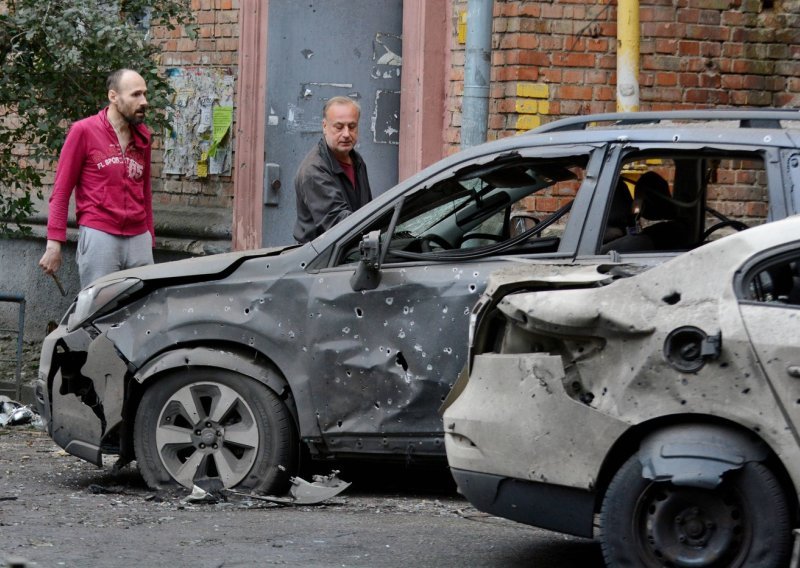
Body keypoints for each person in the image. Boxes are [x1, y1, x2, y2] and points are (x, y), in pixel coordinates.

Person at [38, 68, 154, 288]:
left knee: (144, 312)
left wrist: (149, 236)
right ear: (113, 96)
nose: (144, 101)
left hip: (139, 236)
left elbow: (145, 190)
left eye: (145, 94)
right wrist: (54, 243)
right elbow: (61, 191)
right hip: (100, 234)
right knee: (100, 310)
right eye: (136, 94)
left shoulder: (143, 136)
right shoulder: (84, 131)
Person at [293, 96, 372, 243]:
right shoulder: (313, 170)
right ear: (324, 126)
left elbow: (366, 208)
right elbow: (339, 224)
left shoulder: (357, 161)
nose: (347, 134)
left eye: (352, 126)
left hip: (349, 251)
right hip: (320, 259)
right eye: (339, 127)